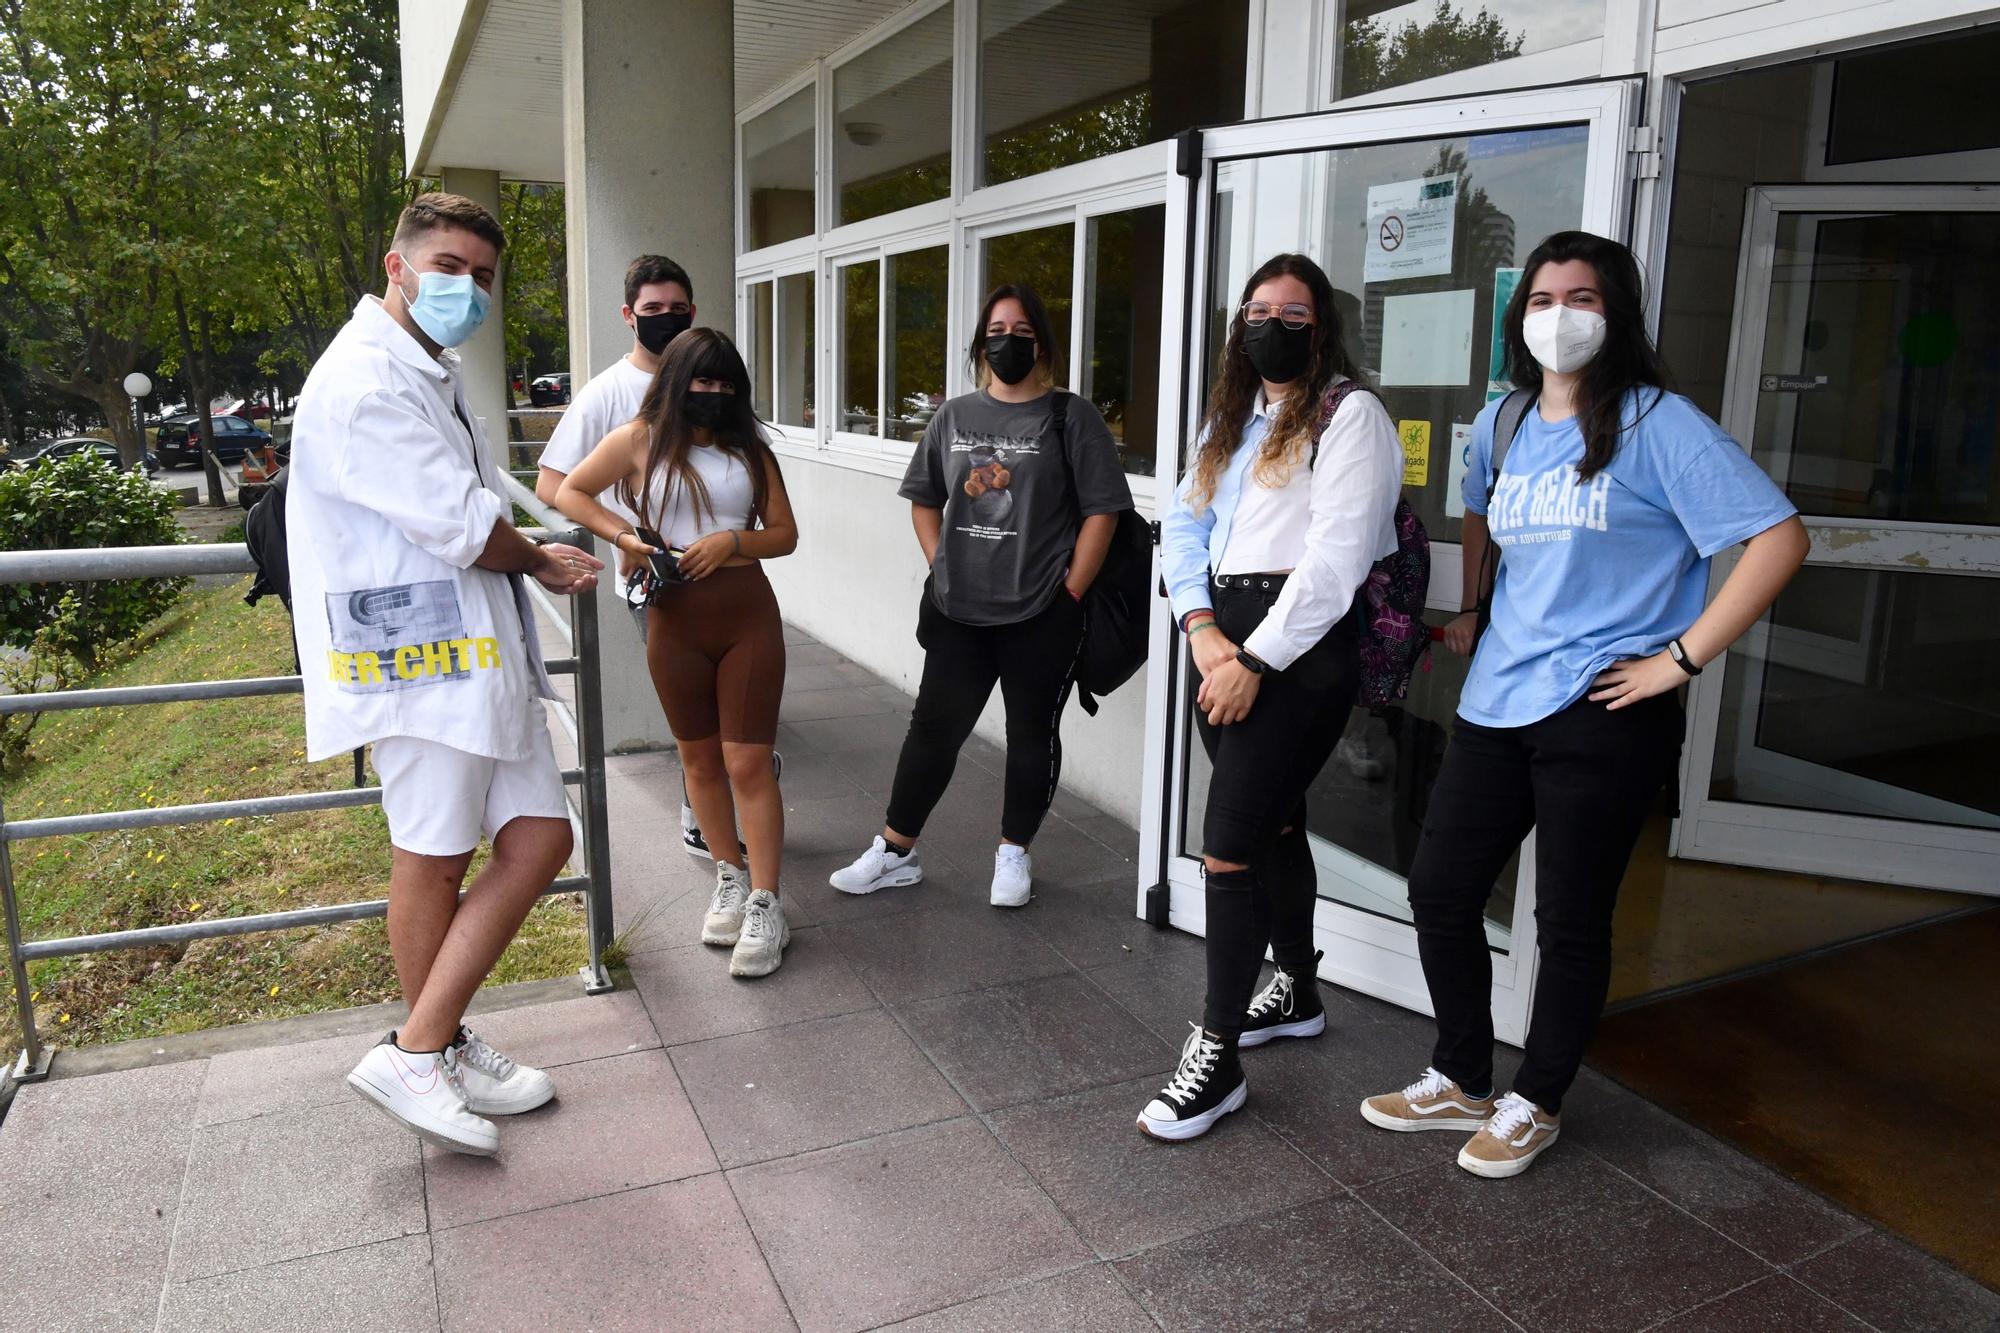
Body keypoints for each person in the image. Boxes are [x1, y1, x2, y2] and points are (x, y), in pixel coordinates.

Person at [1361, 231, 1807, 1177]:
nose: (1560, 315)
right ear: (1520, 319)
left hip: (1607, 704)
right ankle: (1463, 1073)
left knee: (1568, 917)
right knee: (1441, 889)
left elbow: (1777, 537)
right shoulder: (1507, 421)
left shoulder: (1658, 423)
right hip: (1499, 699)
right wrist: (1480, 606)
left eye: (1584, 298)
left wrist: (1680, 659)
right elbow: (1479, 506)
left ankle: (1538, 1098)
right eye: (1543, 298)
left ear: (1618, 314)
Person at [288, 192, 604, 1156]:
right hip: (414, 664)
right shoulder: (364, 383)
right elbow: (460, 522)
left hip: (466, 656)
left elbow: (466, 505)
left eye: (482, 275)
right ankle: (421, 1051)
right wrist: (545, 559)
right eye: (451, 266)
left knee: (542, 837)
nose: (467, 287)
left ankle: (435, 1042)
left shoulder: (426, 368)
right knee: (430, 854)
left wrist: (526, 555)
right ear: (397, 265)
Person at [1141, 253, 1404, 1141]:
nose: (1273, 326)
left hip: (1292, 653)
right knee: (1278, 824)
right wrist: (1200, 629)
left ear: (1321, 327)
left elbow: (1336, 564)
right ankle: (1296, 986)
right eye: (1258, 310)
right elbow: (1181, 524)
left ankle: (1215, 1059)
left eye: (1293, 314)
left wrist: (1251, 658)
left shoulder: (1350, 415)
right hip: (1222, 639)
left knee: (1227, 852)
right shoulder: (1234, 420)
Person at [827, 285, 1132, 908]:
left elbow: (1104, 511)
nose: (1008, 340)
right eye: (997, 329)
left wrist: (1071, 592)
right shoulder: (954, 416)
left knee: (1031, 734)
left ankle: (1013, 852)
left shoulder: (1070, 417)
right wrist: (942, 563)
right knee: (933, 731)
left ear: (1040, 343)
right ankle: (895, 851)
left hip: (1041, 609)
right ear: (980, 342)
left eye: (1022, 330)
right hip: (959, 610)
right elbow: (923, 497)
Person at [554, 328, 799, 977]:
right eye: (702, 380)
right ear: (676, 380)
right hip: (673, 616)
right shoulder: (640, 439)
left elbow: (785, 534)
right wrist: (624, 536)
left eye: (725, 383)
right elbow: (568, 490)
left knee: (746, 760)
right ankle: (730, 877)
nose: (713, 393)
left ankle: (767, 901)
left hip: (746, 613)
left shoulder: (750, 448)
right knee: (697, 760)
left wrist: (733, 542)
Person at [531, 256, 778, 860]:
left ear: (692, 313)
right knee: (698, 734)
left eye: (678, 310)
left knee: (739, 739)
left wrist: (732, 539)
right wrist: (630, 535)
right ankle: (711, 833)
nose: (666, 320)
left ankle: (737, 815)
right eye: (652, 311)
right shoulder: (609, 396)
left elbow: (773, 516)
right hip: (660, 581)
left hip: (737, 587)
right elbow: (555, 484)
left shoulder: (726, 409)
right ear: (628, 316)